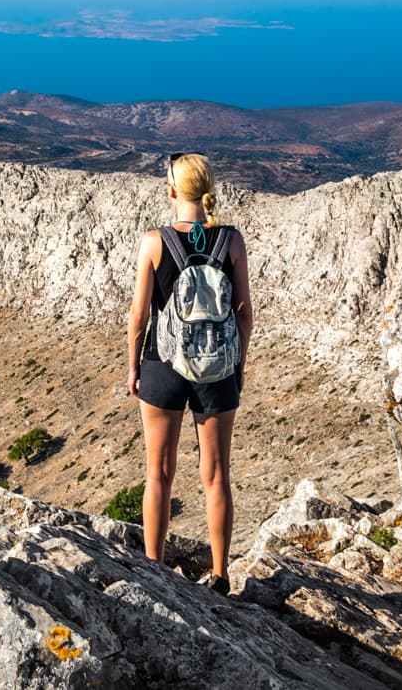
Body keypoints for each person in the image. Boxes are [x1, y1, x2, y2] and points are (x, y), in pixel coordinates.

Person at [125, 151, 253, 592]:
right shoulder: (230, 241)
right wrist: (238, 366)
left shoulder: (154, 241)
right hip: (218, 366)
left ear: (172, 190)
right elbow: (244, 313)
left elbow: (139, 317)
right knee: (216, 475)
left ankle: (154, 572)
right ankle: (220, 575)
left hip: (163, 365)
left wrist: (132, 368)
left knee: (158, 473)